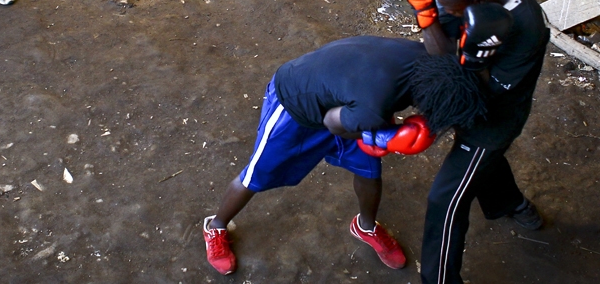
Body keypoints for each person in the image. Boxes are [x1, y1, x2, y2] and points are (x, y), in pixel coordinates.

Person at [201, 36, 470, 275]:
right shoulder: (374, 106)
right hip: (297, 105)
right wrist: (383, 137)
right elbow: (332, 122)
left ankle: (365, 226)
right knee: (255, 175)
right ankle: (215, 225)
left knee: (369, 171)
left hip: (348, 99)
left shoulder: (431, 59)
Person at [400, 0, 550, 284]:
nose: (445, 13)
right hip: (479, 96)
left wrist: (473, 60)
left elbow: (472, 91)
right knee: (481, 168)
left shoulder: (526, 28)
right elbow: (440, 40)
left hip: (494, 118)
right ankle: (513, 204)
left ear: (478, 1)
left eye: (450, 9)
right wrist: (426, 14)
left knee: (446, 199)